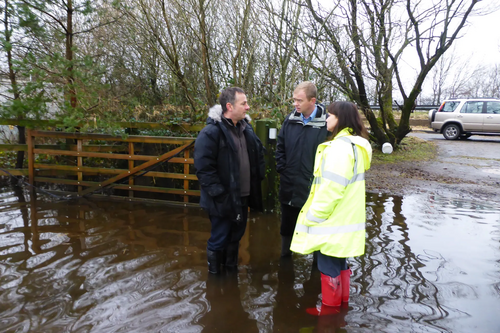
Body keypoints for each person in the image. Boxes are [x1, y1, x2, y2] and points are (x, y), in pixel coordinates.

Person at [290, 101, 372, 315]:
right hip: (346, 218)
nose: (326, 119)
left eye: (330, 115)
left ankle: (328, 313)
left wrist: (314, 216)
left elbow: (331, 189)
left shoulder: (338, 148)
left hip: (332, 219)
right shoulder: (357, 146)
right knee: (340, 263)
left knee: (327, 265)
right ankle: (341, 307)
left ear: (340, 119)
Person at [194, 87, 265, 274]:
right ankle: (216, 280)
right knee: (219, 237)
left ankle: (231, 274)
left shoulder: (246, 129)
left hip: (242, 196)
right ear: (229, 106)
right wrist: (220, 195)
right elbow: (204, 170)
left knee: (236, 236)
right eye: (244, 103)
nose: (248, 107)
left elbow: (257, 157)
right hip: (223, 199)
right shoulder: (211, 133)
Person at [275, 81, 330, 257]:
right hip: (290, 183)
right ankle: (285, 261)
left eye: (299, 100)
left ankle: (316, 268)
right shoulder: (290, 120)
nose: (295, 104)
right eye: (294, 100)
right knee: (287, 226)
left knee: (316, 228)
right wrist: (282, 168)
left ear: (312, 100)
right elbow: (280, 146)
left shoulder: (327, 124)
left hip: (314, 186)